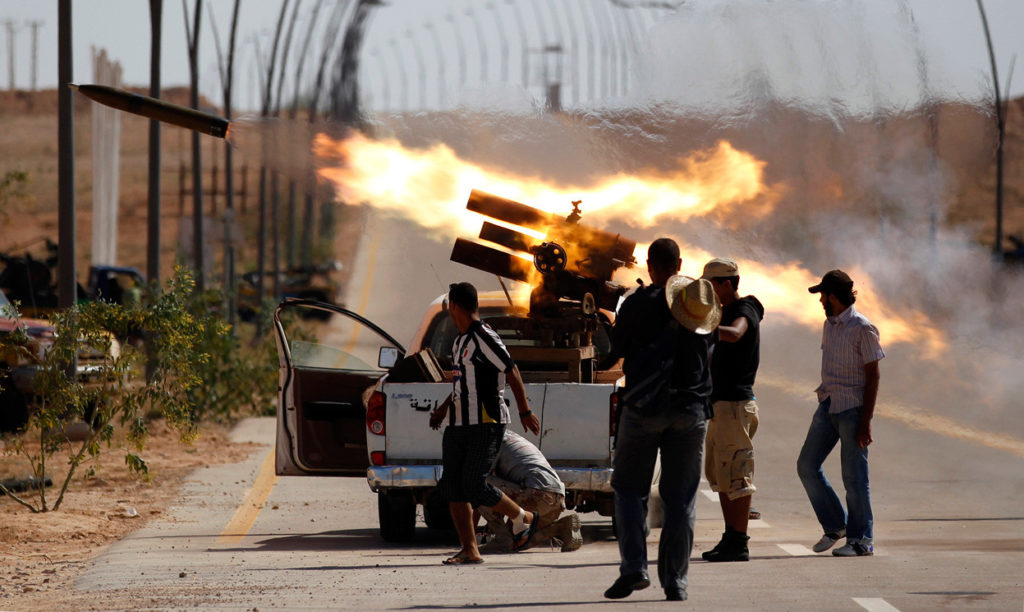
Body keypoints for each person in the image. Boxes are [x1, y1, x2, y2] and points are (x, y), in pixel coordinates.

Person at [602, 238, 720, 602]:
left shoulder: (636, 304)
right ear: (680, 264)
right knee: (681, 499)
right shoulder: (700, 305)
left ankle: (634, 567)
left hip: (643, 409)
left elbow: (613, 355)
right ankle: (676, 582)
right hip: (690, 412)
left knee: (628, 490)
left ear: (650, 266)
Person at [428, 282, 542, 565]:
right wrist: (443, 410)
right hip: (458, 424)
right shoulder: (459, 341)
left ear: (455, 306)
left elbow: (511, 369)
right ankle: (469, 549)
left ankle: (524, 518)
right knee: (452, 486)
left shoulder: (483, 336)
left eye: (449, 308)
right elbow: (461, 385)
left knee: (474, 485)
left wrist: (525, 411)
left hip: (486, 422)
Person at [797, 270, 884, 557]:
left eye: (823, 294)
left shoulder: (862, 328)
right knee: (807, 465)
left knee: (855, 478)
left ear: (833, 296)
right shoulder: (830, 324)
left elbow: (873, 377)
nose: (820, 299)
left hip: (852, 410)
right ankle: (836, 525)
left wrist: (865, 422)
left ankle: (862, 541)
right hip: (828, 404)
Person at [700, 257, 765, 562]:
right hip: (721, 406)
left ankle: (739, 541)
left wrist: (703, 325)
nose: (709, 293)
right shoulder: (724, 312)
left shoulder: (744, 309)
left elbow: (737, 332)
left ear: (727, 284)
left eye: (711, 286)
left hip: (735, 406)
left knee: (737, 475)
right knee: (722, 475)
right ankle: (731, 537)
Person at [477, 429, 583, 553]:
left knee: (477, 482)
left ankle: (502, 538)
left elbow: (481, 488)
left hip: (536, 496)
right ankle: (560, 527)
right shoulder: (512, 438)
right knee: (517, 542)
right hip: (557, 498)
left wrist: (470, 538)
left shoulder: (489, 440)